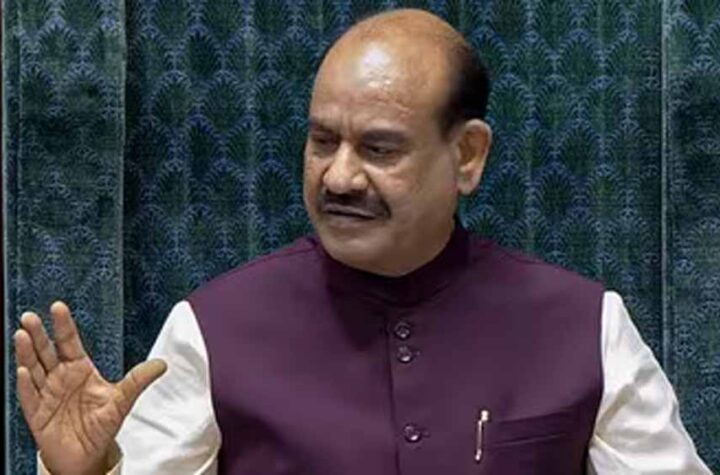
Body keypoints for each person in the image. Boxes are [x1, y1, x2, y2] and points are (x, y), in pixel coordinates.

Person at [14, 8, 711, 475]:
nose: (339, 176)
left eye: (379, 149)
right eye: (323, 141)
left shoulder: (586, 326)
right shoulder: (211, 329)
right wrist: (86, 472)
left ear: (468, 155)